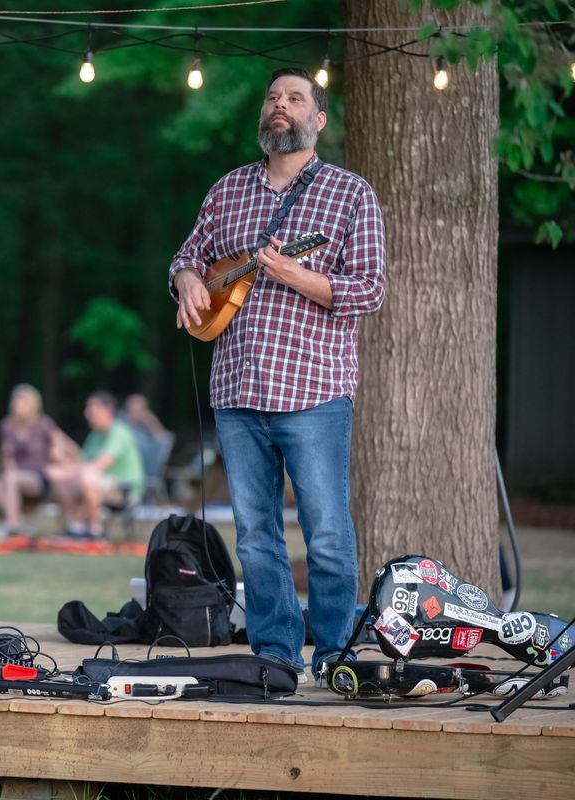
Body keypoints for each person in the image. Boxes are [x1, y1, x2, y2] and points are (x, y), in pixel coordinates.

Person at [169, 67, 386, 681]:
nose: (280, 105)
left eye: (295, 98)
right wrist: (187, 280)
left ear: (318, 120)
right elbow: (188, 258)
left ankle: (337, 654)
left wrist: (299, 277)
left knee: (324, 532)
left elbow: (368, 291)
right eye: (272, 98)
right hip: (237, 390)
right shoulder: (229, 189)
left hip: (314, 393)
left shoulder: (349, 194)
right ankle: (275, 653)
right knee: (255, 537)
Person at [46, 392, 144, 540]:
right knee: (64, 481)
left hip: (124, 489)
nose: (86, 414)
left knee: (86, 478)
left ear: (108, 410)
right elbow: (83, 463)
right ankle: (76, 528)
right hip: (102, 483)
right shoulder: (95, 435)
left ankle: (95, 531)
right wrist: (63, 461)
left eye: (91, 410)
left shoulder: (119, 432)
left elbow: (99, 466)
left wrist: (66, 472)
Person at [0, 384, 75, 539]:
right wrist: (8, 473)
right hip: (16, 477)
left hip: (39, 477)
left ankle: (12, 525)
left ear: (33, 405)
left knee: (11, 478)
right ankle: (20, 523)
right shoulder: (7, 425)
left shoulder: (43, 424)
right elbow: (8, 456)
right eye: (15, 401)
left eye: (22, 402)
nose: (17, 405)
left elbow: (65, 445)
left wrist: (59, 455)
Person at [121, 393, 174, 502]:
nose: (136, 413)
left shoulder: (147, 428)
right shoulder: (119, 425)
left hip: (145, 470)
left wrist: (151, 420)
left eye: (140, 409)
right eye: (133, 409)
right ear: (127, 409)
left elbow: (165, 441)